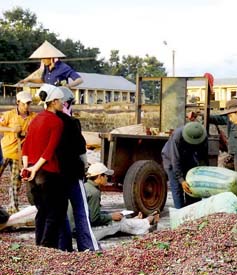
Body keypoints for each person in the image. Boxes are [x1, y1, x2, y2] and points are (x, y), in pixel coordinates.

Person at [21, 84, 67, 249]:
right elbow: (50, 150)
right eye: (60, 100)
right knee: (54, 212)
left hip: (32, 173)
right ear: (54, 102)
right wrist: (36, 167)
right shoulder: (56, 121)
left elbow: (25, 146)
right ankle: (47, 247)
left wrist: (28, 167)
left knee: (41, 211)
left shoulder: (35, 120)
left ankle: (38, 246)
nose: (62, 103)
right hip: (47, 173)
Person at [56, 87, 100, 251]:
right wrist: (85, 167)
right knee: (81, 211)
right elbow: (81, 150)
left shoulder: (46, 120)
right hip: (73, 173)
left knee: (60, 213)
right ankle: (87, 246)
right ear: (66, 103)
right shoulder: (72, 123)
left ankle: (64, 247)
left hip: (55, 175)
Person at [84, 163, 159, 240]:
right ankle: (146, 222)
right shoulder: (94, 193)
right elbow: (94, 219)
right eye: (106, 176)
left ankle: (136, 221)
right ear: (100, 176)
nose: (107, 178)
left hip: (80, 229)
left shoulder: (86, 186)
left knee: (116, 218)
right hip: (86, 233)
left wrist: (111, 216)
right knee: (119, 223)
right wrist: (111, 216)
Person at [0, 91, 37, 214]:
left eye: (28, 103)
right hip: (5, 151)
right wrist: (11, 129)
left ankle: (13, 210)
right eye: (24, 104)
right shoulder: (9, 114)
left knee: (15, 182)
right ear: (17, 102)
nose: (26, 106)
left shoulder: (33, 117)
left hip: (19, 155)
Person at [161, 122, 208, 209]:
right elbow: (175, 161)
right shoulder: (177, 137)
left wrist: (202, 174)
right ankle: (180, 213)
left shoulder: (202, 135)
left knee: (193, 188)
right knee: (177, 189)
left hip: (189, 158)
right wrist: (181, 180)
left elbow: (203, 157)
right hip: (171, 159)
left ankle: (192, 212)